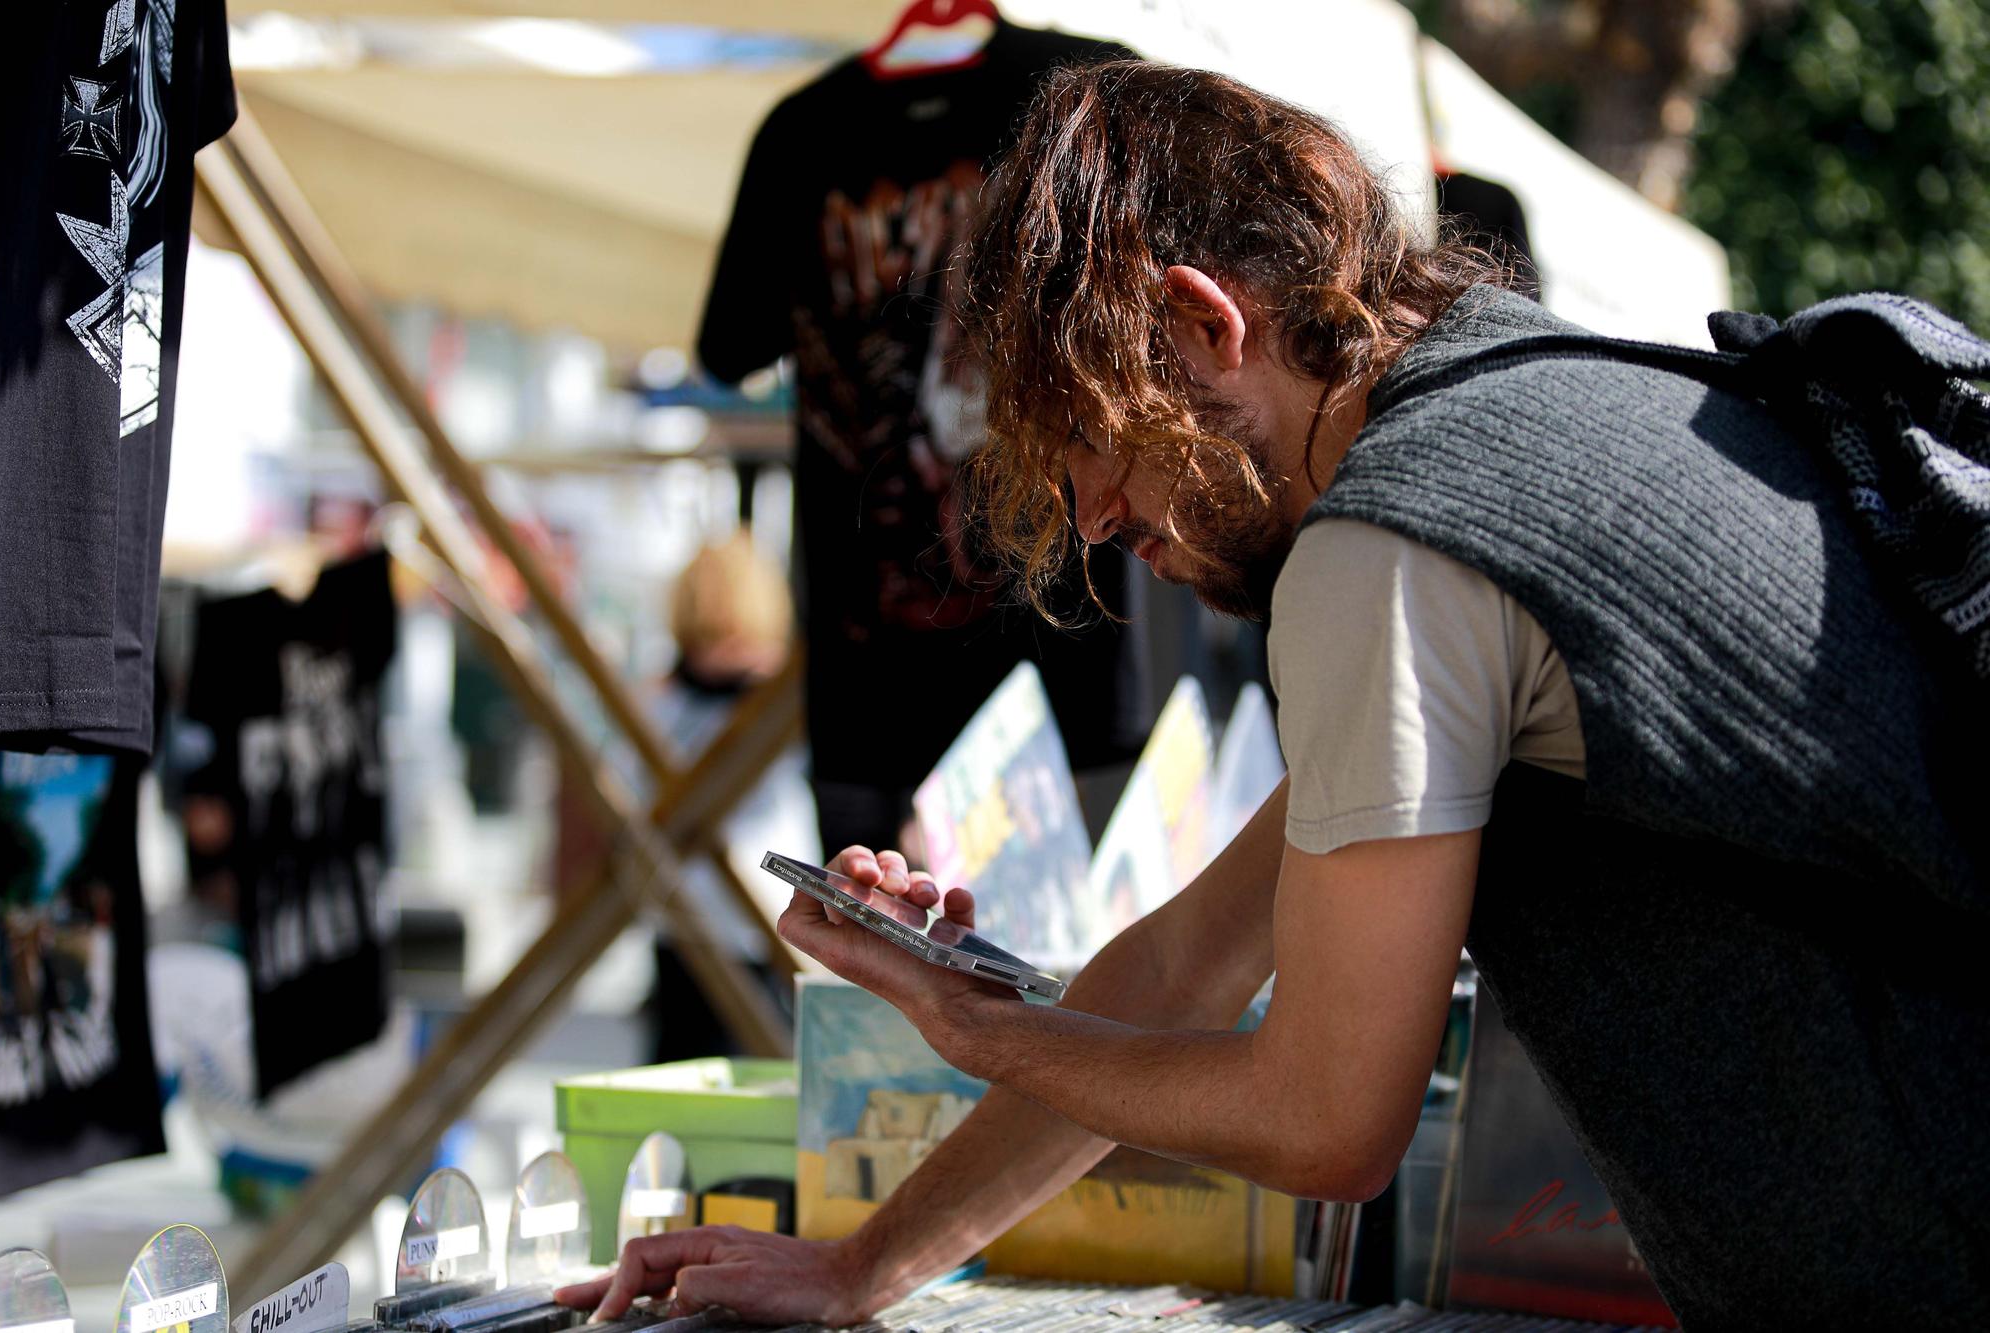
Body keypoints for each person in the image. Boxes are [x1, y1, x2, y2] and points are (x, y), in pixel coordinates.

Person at [557, 62, 1990, 1329]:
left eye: (1087, 432)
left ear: (1198, 320)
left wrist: (976, 1027)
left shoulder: (1397, 544)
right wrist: (862, 1264)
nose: (1093, 510)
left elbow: (1325, 1118)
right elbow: (1185, 964)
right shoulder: (1520, 403)